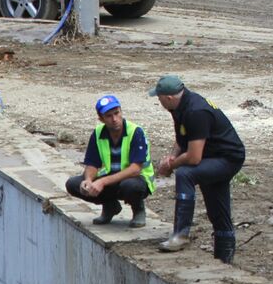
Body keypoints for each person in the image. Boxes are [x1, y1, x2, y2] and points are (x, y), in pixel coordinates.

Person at [150, 75, 246, 262]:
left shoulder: (195, 111)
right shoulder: (178, 106)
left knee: (186, 173)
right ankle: (224, 260)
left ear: (168, 97)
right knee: (217, 209)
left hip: (227, 159)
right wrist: (173, 156)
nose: (158, 100)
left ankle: (181, 234)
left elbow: (194, 158)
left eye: (159, 97)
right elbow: (182, 139)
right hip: (212, 157)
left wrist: (171, 165)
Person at [65, 94, 154, 228]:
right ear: (101, 119)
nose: (114, 119)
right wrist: (88, 180)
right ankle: (110, 206)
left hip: (136, 178)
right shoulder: (98, 133)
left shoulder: (135, 132)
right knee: (73, 184)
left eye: (117, 113)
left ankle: (138, 208)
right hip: (112, 179)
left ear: (121, 111)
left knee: (130, 186)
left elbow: (135, 169)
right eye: (109, 116)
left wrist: (102, 181)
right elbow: (92, 164)